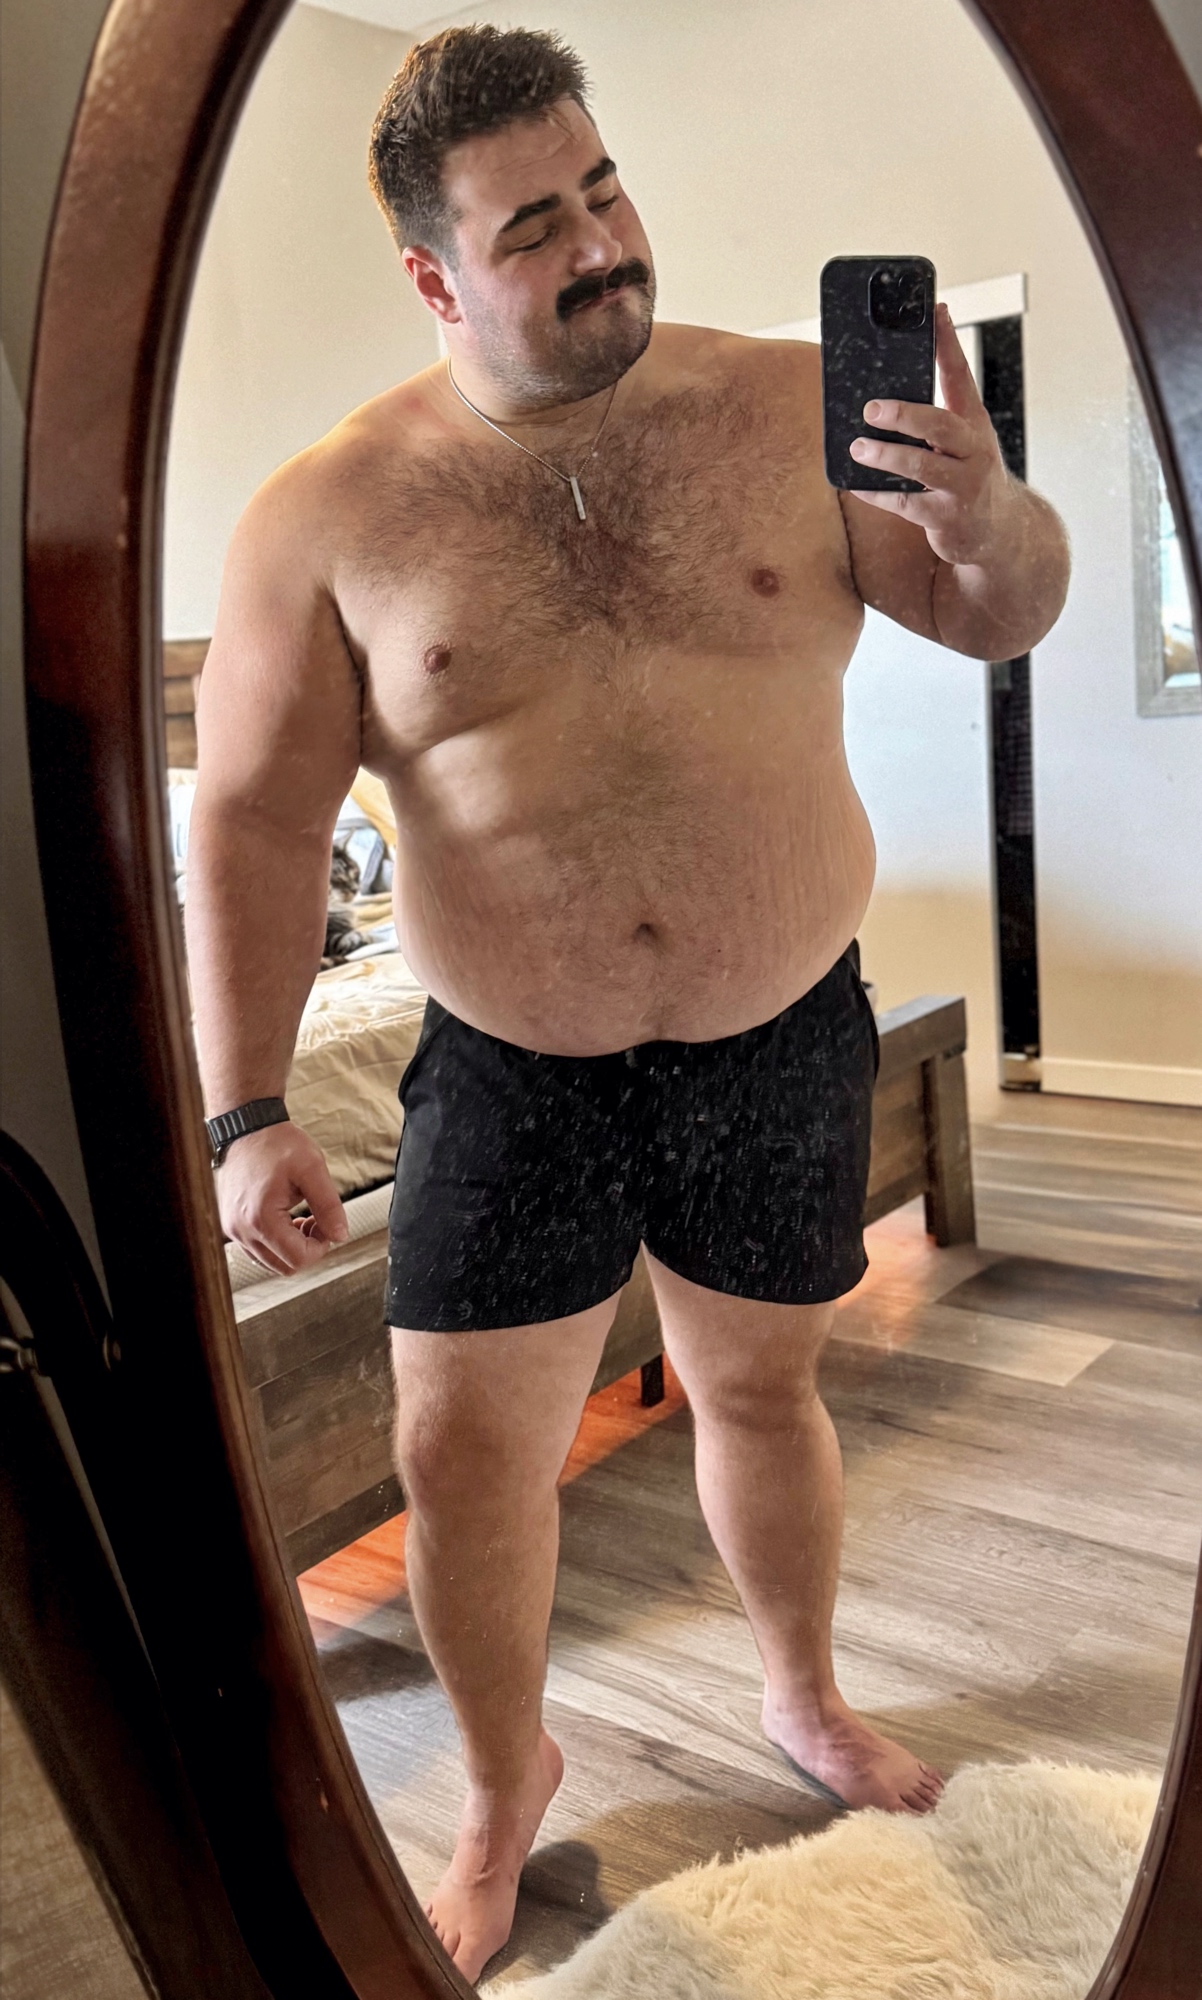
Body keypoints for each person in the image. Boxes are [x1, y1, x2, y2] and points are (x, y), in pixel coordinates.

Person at [187, 25, 1070, 1982]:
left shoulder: (784, 411)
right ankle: (502, 1790)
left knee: (762, 1386)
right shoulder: (325, 519)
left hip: (779, 1027)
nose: (601, 243)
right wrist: (246, 1107)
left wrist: (989, 512)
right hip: (515, 1075)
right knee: (463, 1458)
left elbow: (996, 613)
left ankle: (802, 1693)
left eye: (603, 190)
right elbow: (248, 820)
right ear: (433, 277)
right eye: (533, 227)